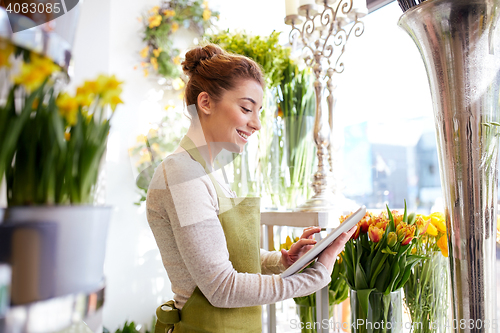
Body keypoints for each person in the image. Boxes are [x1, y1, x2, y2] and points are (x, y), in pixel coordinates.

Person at [146, 43, 357, 333]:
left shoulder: (207, 172)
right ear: (205, 103)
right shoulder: (183, 174)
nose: (256, 124)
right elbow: (221, 287)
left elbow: (220, 254)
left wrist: (281, 261)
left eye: (258, 111)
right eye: (246, 108)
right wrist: (313, 278)